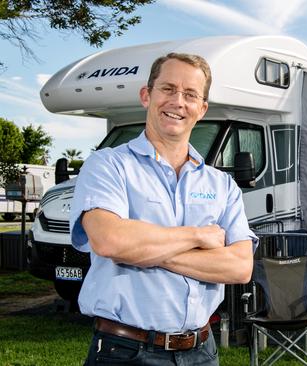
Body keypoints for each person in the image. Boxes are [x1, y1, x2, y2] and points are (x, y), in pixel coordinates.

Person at [70, 53, 257, 366]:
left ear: (202, 108)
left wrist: (142, 249)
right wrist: (199, 236)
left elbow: (239, 267)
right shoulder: (108, 165)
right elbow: (110, 242)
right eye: (168, 89)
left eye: (190, 94)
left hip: (201, 352)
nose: (178, 102)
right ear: (147, 95)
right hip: (125, 351)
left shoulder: (222, 184)